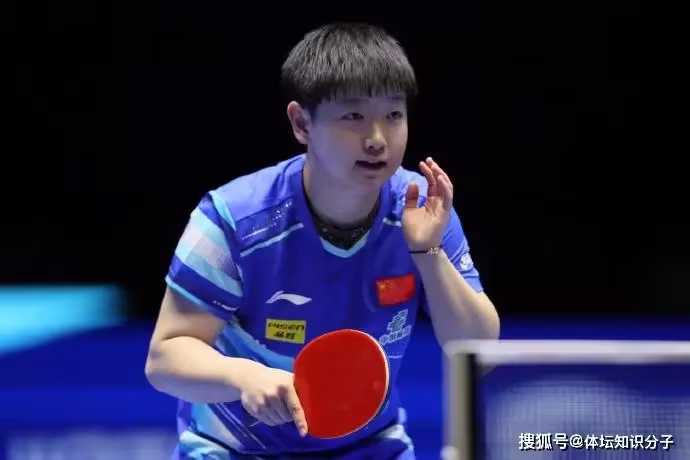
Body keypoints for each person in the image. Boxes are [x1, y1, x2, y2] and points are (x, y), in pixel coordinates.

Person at [145, 22, 500, 460]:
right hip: (232, 449)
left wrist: (428, 253)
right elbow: (165, 358)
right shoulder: (231, 221)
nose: (377, 139)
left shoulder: (423, 208)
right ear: (301, 123)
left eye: (393, 115)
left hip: (370, 448)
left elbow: (479, 351)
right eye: (353, 117)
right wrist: (242, 376)